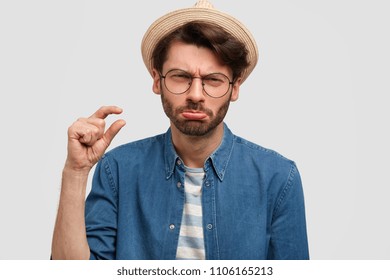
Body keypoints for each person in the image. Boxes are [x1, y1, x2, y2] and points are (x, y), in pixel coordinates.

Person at [51, 0, 309, 260]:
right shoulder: (117, 169)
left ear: (235, 87)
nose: (195, 95)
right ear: (156, 80)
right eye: (181, 77)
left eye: (213, 80)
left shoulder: (279, 179)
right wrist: (76, 172)